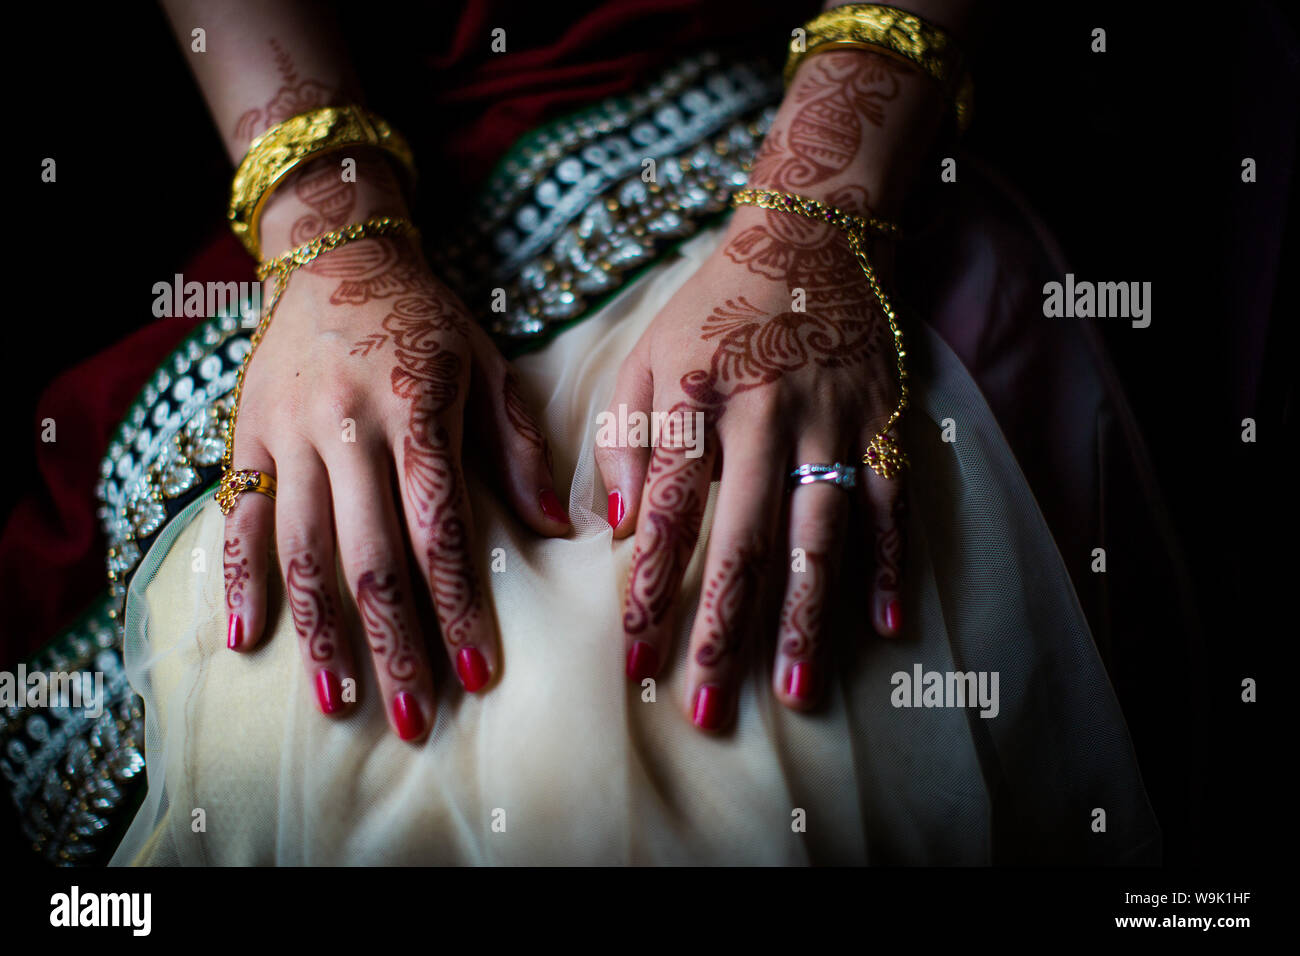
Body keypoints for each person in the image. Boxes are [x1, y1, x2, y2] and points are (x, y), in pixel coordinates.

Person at [99, 0, 1162, 864]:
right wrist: (329, 235)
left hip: (790, 124)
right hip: (329, 174)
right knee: (297, 711)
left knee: (770, 704)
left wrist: (813, 213)